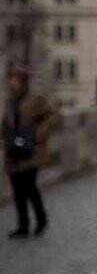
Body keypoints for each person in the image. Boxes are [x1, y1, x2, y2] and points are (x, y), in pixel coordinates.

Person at [3, 66, 62, 239]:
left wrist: (38, 133)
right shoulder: (9, 101)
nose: (11, 83)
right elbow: (5, 125)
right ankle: (23, 226)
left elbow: (53, 117)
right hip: (14, 150)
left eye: (14, 79)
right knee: (17, 189)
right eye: (10, 79)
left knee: (29, 187)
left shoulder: (36, 99)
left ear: (23, 82)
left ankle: (41, 220)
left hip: (31, 150)